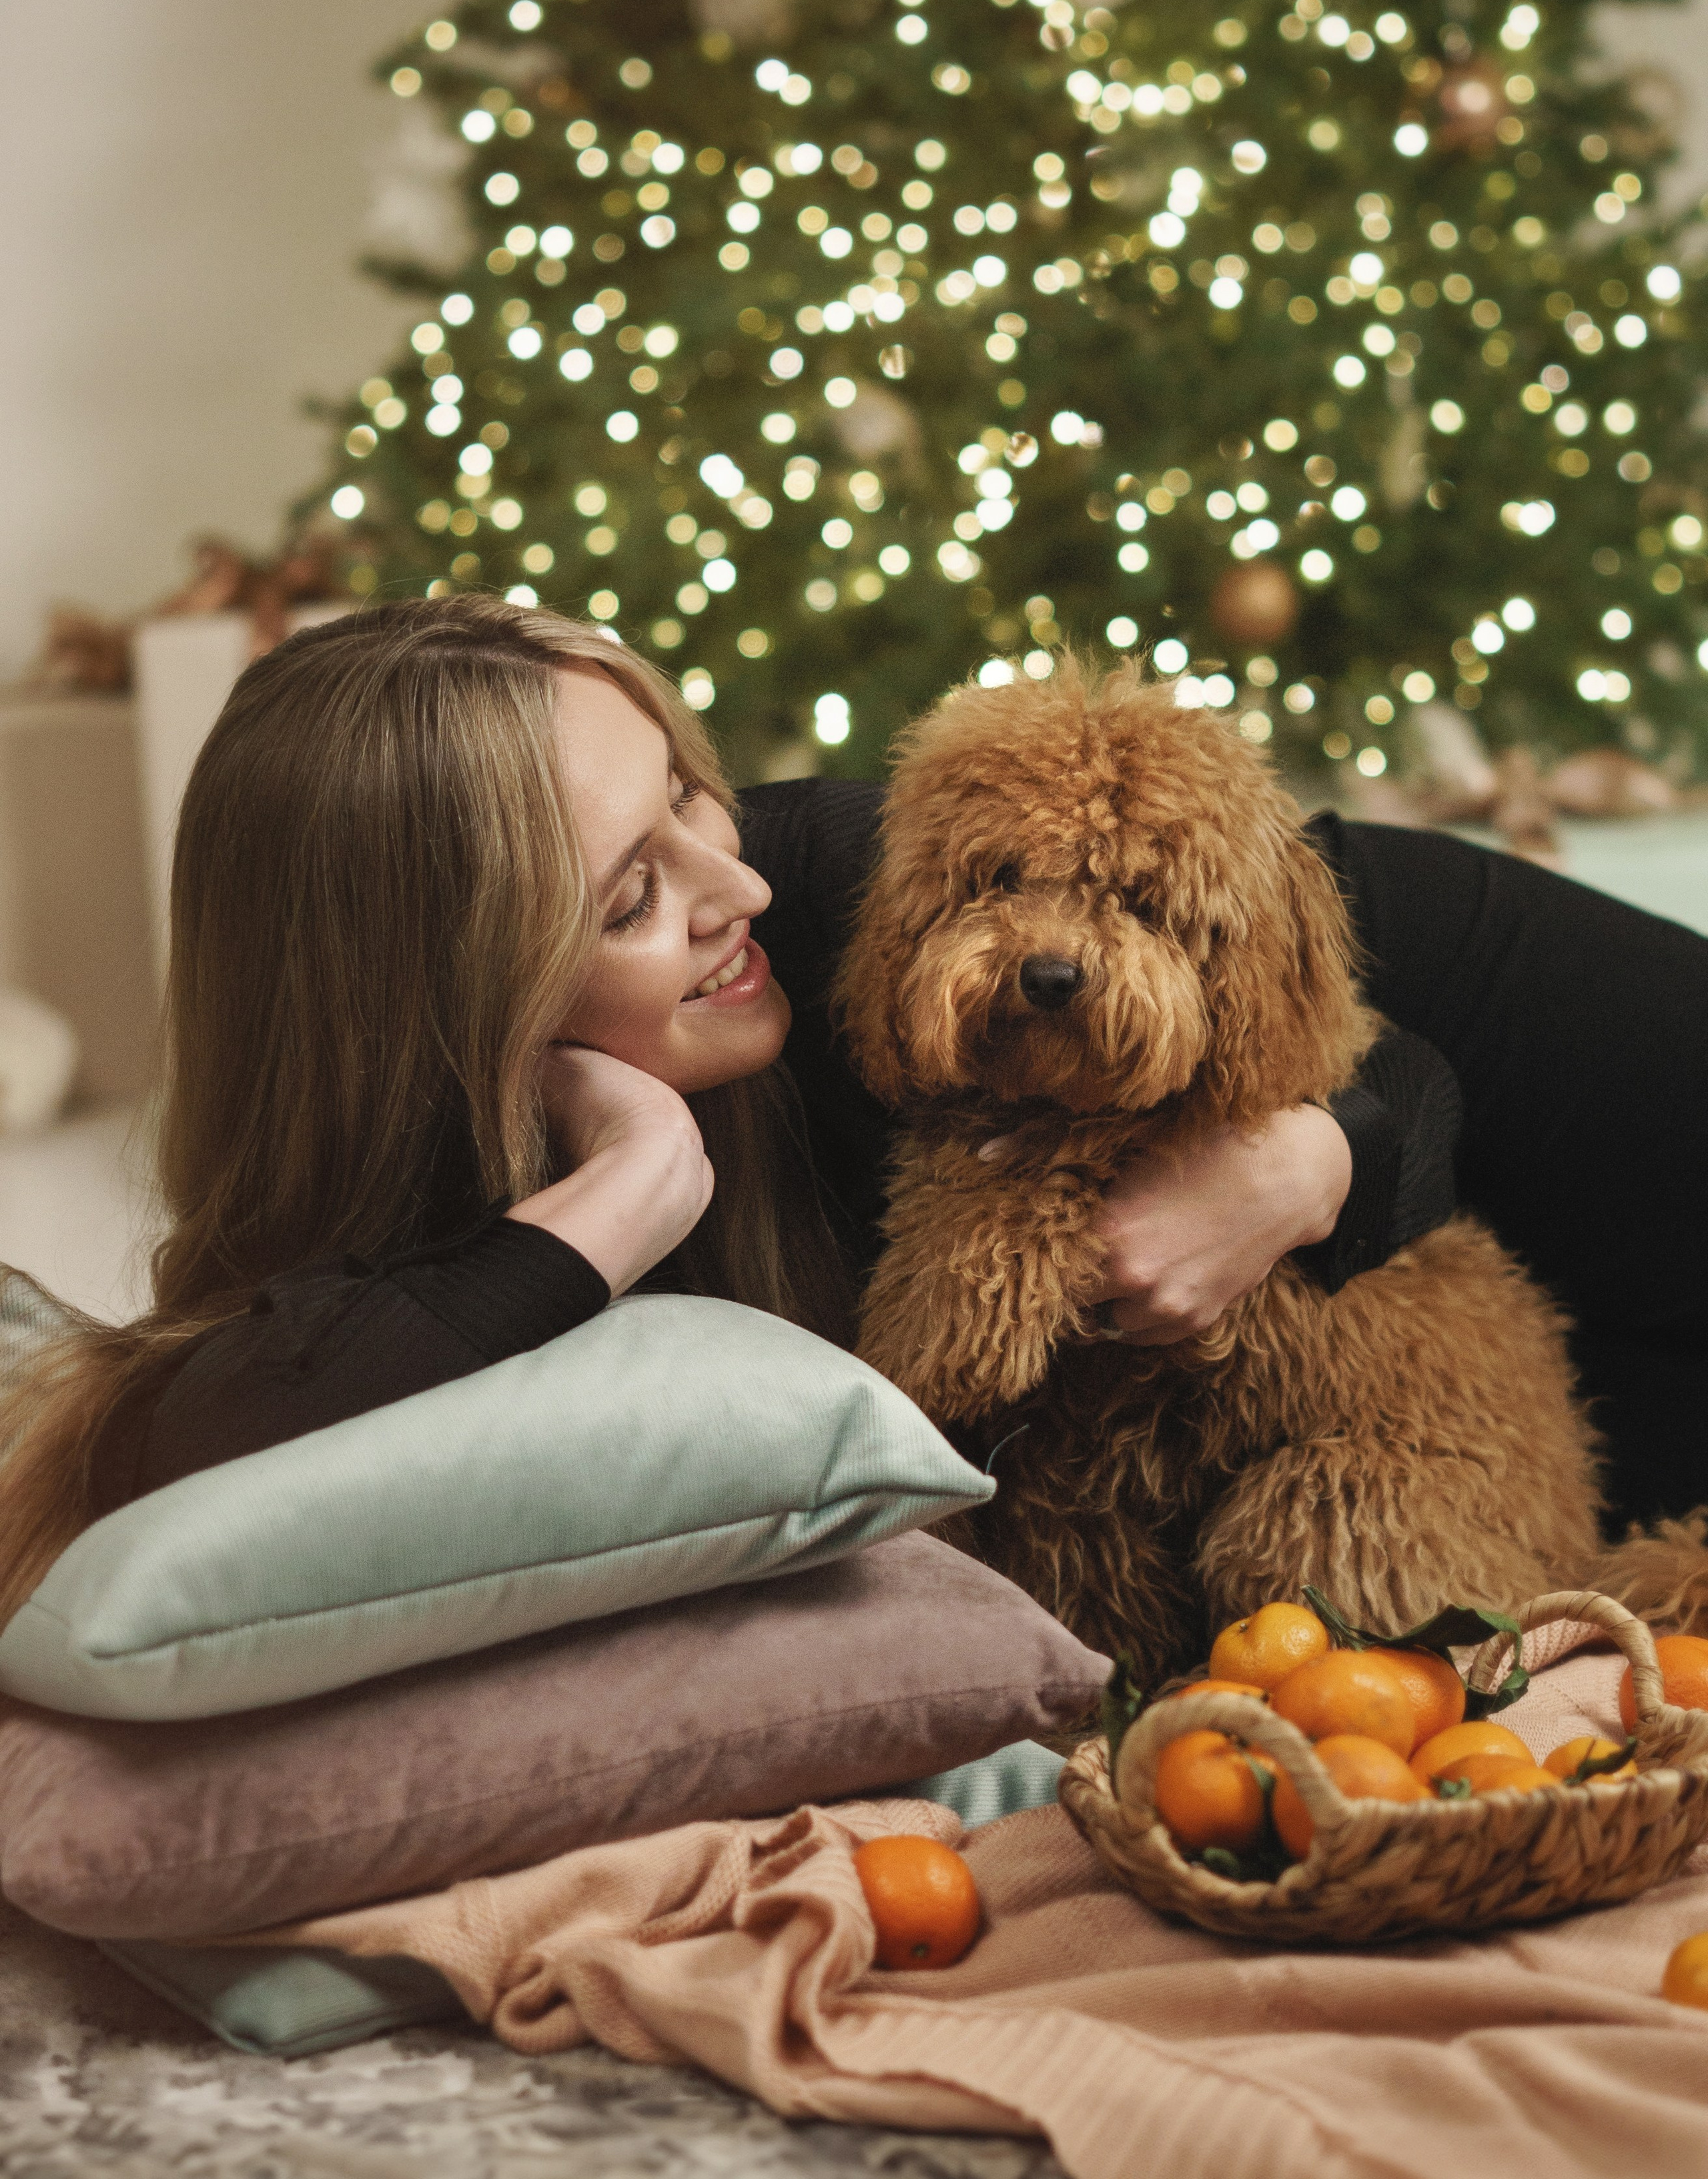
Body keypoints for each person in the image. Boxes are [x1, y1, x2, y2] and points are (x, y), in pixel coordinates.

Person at [0, 596, 1700, 1625]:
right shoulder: (417, 1211)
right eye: (625, 898)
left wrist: (1304, 1153)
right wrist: (619, 1199)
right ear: (440, 1001)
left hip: (1525, 1057)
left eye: (687, 787)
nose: (728, 877)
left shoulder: (837, 889)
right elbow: (184, 1431)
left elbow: (1345, 1011)